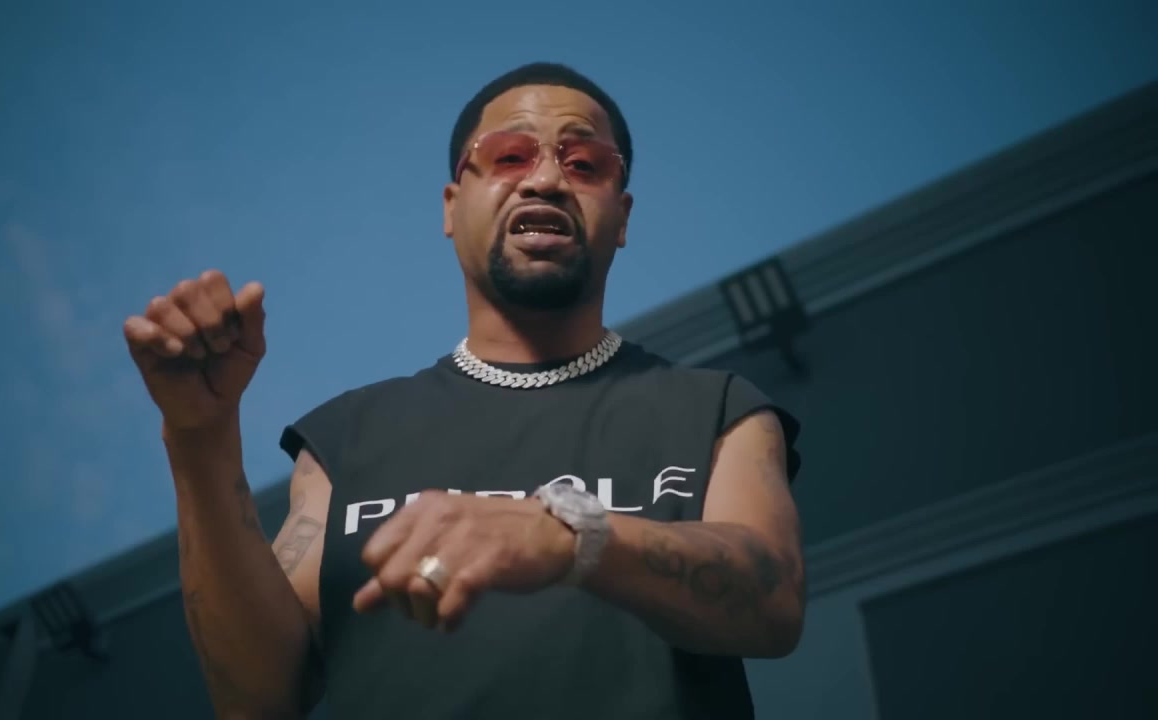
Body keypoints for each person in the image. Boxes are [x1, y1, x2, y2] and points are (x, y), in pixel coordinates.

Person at [123, 62, 806, 720]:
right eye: (509, 156)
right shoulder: (346, 438)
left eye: (583, 163)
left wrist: (574, 538)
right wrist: (199, 438)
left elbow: (773, 604)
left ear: (621, 218)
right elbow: (259, 698)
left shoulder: (718, 408)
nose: (546, 178)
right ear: (452, 207)